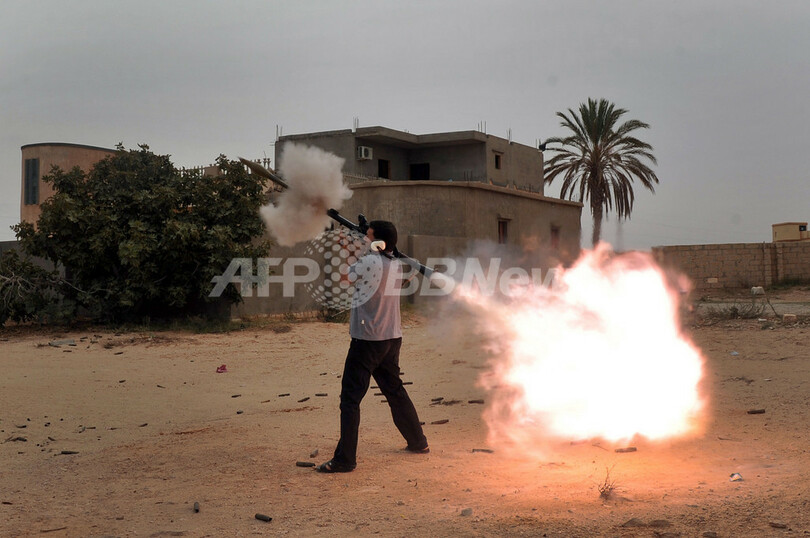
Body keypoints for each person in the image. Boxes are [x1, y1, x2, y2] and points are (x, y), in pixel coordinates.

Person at [317, 220, 429, 473]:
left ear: (378, 241)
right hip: (391, 338)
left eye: (367, 236)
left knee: (350, 400)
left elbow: (345, 277)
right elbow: (404, 269)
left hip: (367, 340)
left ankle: (345, 460)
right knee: (395, 391)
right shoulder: (398, 264)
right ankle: (417, 441)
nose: (364, 239)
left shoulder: (369, 262)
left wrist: (348, 248)